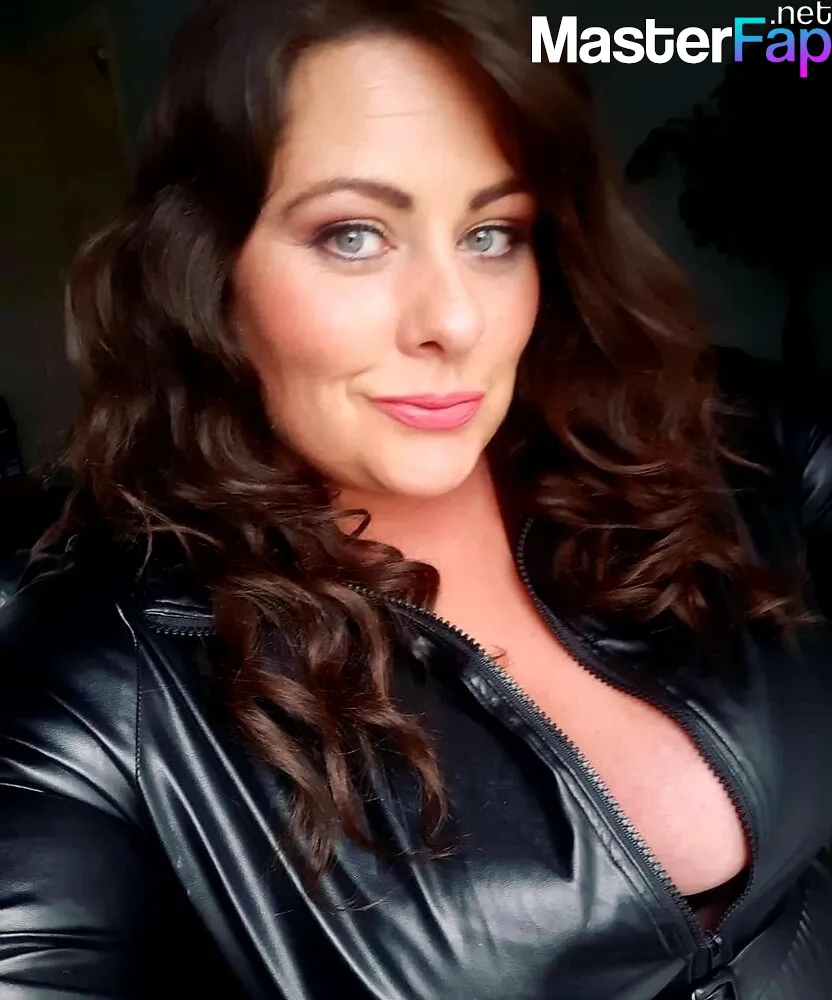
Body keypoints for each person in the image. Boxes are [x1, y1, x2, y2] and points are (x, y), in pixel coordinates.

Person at [0, 0, 830, 997]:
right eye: (354, 235)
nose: (454, 320)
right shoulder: (98, 676)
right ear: (208, 269)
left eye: (492, 233)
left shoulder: (714, 441)